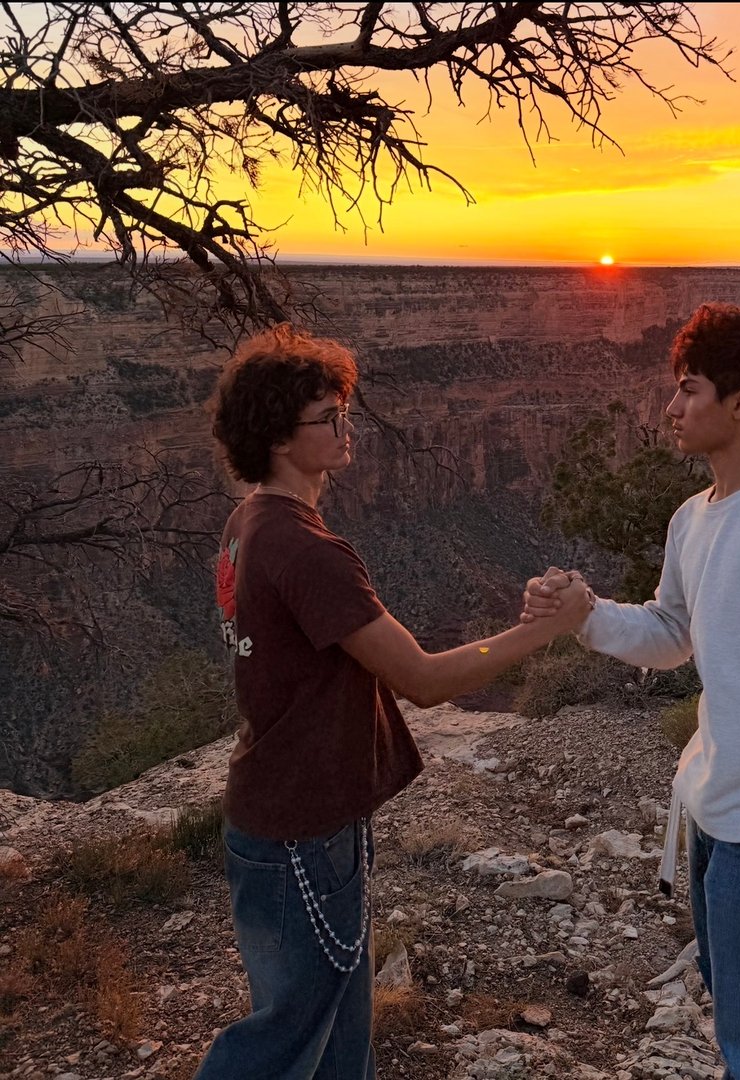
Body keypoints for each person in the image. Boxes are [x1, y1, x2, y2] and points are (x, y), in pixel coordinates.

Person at [196, 324, 592, 1080]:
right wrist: (542, 630)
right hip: (300, 826)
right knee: (280, 1042)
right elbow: (423, 679)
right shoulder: (310, 553)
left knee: (341, 1036)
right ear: (280, 437)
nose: (347, 430)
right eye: (328, 418)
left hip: (286, 811)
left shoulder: (250, 521)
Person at [523, 303, 740, 1080]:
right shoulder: (692, 518)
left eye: (688, 389)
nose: (670, 407)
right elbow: (672, 632)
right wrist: (585, 615)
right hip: (713, 820)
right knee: (739, 1033)